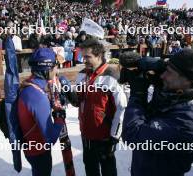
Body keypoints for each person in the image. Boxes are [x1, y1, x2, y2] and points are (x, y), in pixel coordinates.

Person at [121, 49, 193, 176]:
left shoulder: (191, 125)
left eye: (169, 72)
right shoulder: (176, 95)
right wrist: (144, 65)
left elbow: (133, 134)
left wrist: (138, 94)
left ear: (188, 81)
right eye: (165, 70)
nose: (162, 76)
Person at [60, 39, 127, 176]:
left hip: (104, 137)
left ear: (99, 56)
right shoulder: (82, 74)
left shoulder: (111, 75)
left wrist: (114, 137)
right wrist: (69, 92)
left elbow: (122, 107)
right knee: (90, 169)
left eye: (88, 57)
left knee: (108, 170)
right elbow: (78, 101)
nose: (84, 60)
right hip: (86, 134)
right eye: (83, 57)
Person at [17, 48, 65, 176]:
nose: (57, 70)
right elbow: (50, 138)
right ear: (47, 68)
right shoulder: (38, 97)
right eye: (55, 66)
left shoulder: (29, 84)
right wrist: (60, 118)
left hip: (30, 147)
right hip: (39, 152)